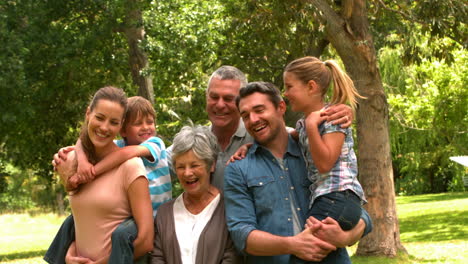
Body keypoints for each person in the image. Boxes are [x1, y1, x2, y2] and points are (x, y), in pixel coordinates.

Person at [224, 82, 372, 264]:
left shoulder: (316, 152)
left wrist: (346, 237)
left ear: (281, 107)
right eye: (245, 116)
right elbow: (241, 234)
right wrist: (292, 245)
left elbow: (361, 212)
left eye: (259, 110)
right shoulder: (238, 168)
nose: (253, 120)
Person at [170, 65, 354, 191]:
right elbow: (160, 161)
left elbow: (341, 184)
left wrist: (333, 114)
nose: (219, 105)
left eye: (228, 99)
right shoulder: (193, 142)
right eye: (214, 97)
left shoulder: (261, 132)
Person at [45, 96, 170, 264]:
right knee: (71, 222)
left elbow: (124, 155)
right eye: (138, 123)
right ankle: (55, 259)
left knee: (121, 235)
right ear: (123, 130)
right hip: (132, 215)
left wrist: (91, 172)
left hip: (156, 218)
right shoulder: (118, 145)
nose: (146, 127)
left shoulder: (154, 143)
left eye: (150, 122)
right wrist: (81, 160)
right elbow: (84, 140)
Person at [283, 56, 366, 240]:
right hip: (326, 198)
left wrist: (312, 127)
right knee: (312, 253)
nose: (285, 94)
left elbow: (325, 164)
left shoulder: (333, 118)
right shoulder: (303, 124)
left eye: (289, 87)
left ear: (311, 87)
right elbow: (286, 137)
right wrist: (251, 144)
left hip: (339, 196)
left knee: (304, 249)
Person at [150, 125, 241, 264]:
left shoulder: (229, 209)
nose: (187, 173)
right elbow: (156, 257)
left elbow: (233, 257)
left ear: (211, 165)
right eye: (180, 167)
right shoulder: (164, 213)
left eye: (194, 165)